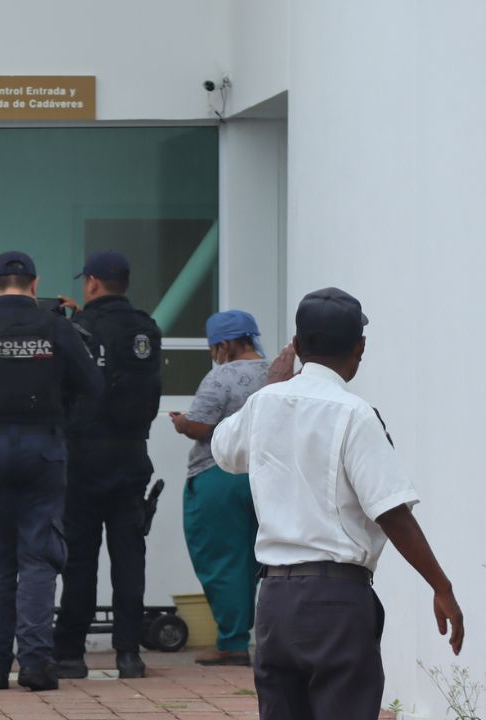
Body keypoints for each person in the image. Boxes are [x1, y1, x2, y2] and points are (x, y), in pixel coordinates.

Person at [212, 288, 464, 719]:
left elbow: (224, 450)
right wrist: (441, 586)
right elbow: (391, 511)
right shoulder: (354, 413)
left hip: (274, 600)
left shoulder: (264, 404)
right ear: (359, 348)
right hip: (336, 602)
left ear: (297, 345)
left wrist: (271, 386)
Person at [0, 251, 103, 691]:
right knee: (38, 556)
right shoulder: (57, 328)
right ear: (34, 284)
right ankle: (35, 664)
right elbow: (94, 385)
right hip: (43, 450)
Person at [52, 250, 161, 680]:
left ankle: (71, 653)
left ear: (93, 282)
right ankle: (129, 654)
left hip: (83, 457)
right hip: (132, 454)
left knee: (80, 559)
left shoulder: (77, 329)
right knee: (129, 559)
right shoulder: (145, 328)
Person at [169, 310, 269, 667]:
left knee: (219, 559)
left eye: (214, 346)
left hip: (218, 474)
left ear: (224, 344)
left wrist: (180, 422)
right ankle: (251, 639)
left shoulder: (221, 377)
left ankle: (232, 642)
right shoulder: (276, 373)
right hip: (261, 476)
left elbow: (199, 427)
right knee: (255, 560)